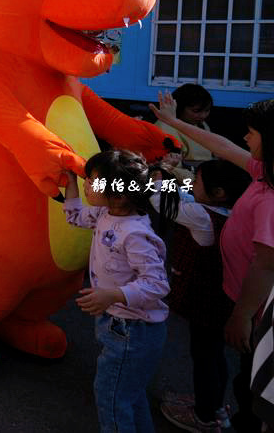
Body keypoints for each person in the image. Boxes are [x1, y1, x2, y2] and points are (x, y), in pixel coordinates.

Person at [151, 92, 274, 433]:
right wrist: (175, 122)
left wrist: (242, 315)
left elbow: (266, 265)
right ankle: (215, 408)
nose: (244, 137)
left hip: (253, 309)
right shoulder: (262, 171)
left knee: (251, 379)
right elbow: (222, 146)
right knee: (228, 364)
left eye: (252, 132)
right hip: (233, 297)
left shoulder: (270, 198)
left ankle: (215, 418)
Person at [62, 150, 170, 432]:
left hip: (133, 329)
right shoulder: (104, 212)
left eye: (92, 181)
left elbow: (157, 284)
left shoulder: (134, 233)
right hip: (118, 324)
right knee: (129, 396)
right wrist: (70, 180)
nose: (88, 185)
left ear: (120, 195)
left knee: (112, 397)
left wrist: (113, 294)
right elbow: (75, 215)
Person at [158, 159, 252, 431]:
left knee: (204, 356)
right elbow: (187, 191)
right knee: (214, 354)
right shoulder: (231, 210)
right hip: (222, 298)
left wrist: (158, 177)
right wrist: (177, 177)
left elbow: (159, 199)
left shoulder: (200, 215)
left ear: (219, 192)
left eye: (197, 180)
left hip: (203, 299)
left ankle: (204, 414)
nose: (192, 183)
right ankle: (212, 404)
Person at [155, 83, 215, 168]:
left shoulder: (202, 124)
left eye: (207, 111)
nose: (203, 115)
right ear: (179, 107)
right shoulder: (165, 128)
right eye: (196, 111)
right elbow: (171, 166)